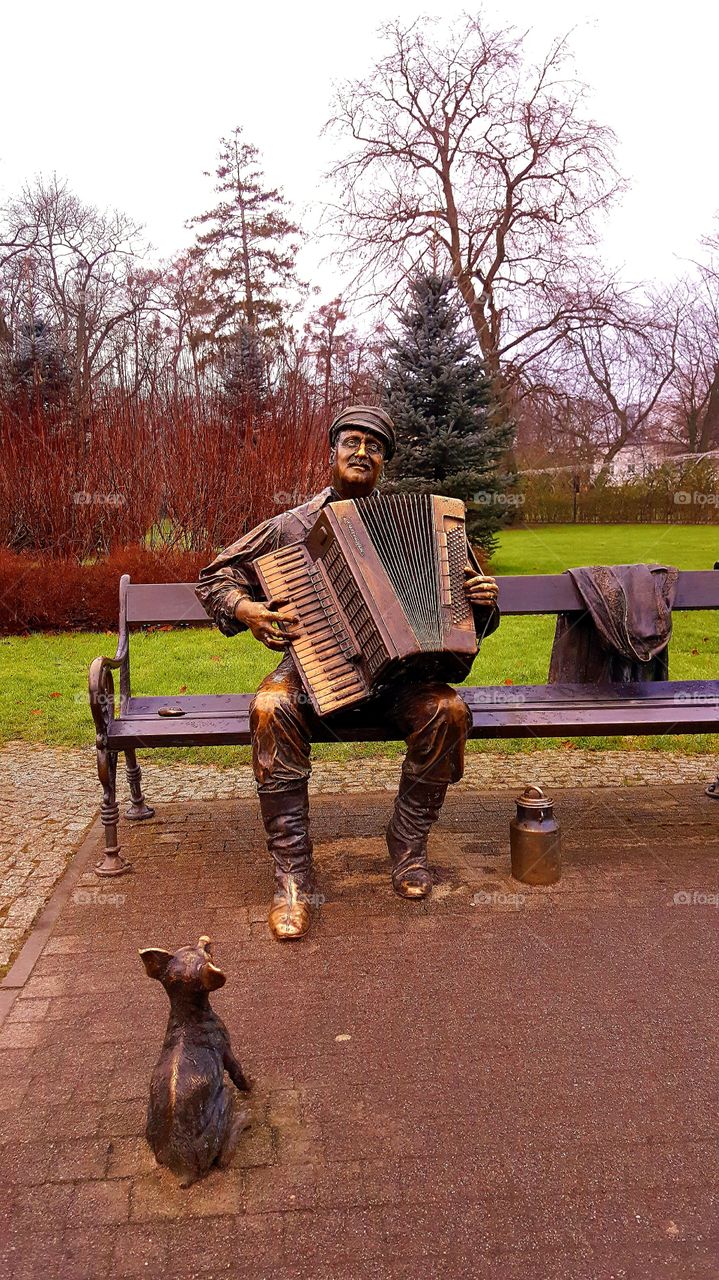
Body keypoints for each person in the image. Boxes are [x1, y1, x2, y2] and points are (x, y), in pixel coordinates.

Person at [196, 405, 500, 941]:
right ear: (332, 452)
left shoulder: (434, 525)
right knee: (270, 708)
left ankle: (407, 845)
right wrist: (247, 611)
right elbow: (216, 576)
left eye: (374, 446)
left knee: (448, 712)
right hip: (315, 669)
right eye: (352, 442)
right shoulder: (291, 525)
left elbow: (470, 616)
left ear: (383, 461)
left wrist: (483, 601)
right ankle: (292, 874)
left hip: (400, 679)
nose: (362, 453)